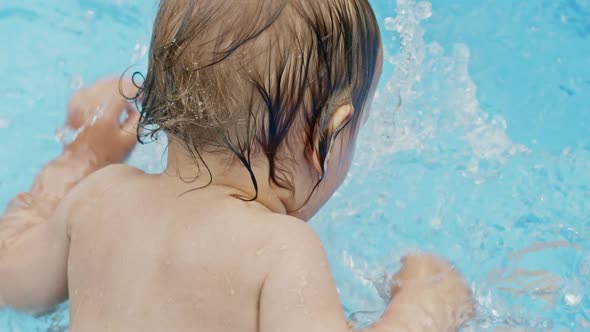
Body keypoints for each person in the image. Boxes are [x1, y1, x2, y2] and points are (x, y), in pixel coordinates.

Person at [0, 0, 473, 331]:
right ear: (324, 135)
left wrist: (83, 155)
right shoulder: (281, 252)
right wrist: (422, 309)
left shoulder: (98, 201)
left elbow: (9, 278)